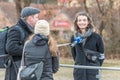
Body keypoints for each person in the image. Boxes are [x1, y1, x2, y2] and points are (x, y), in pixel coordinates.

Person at [5, 7, 40, 80]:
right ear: (30, 18)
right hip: (15, 71)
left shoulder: (29, 31)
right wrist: (30, 50)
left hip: (24, 70)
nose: (38, 20)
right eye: (36, 17)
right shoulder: (16, 30)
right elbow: (11, 48)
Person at [70, 11, 105, 80]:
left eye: (84, 20)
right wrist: (80, 63)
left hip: (93, 73)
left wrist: (95, 66)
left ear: (88, 22)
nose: (82, 22)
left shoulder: (96, 37)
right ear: (76, 22)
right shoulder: (73, 38)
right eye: (79, 20)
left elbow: (101, 55)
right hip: (79, 73)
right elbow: (74, 55)